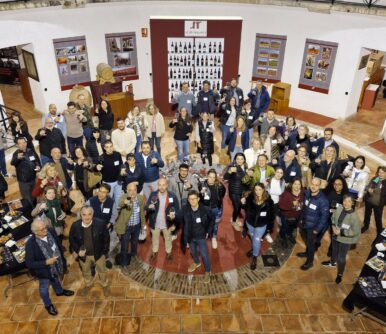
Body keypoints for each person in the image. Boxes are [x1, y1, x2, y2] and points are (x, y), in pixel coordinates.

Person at [25, 218, 73, 316]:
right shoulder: (30, 244)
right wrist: (46, 262)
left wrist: (62, 260)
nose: (46, 230)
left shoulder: (50, 231)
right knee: (44, 289)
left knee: (56, 279)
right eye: (42, 229)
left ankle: (59, 292)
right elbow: (29, 263)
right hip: (43, 271)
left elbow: (58, 246)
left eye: (45, 227)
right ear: (35, 232)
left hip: (56, 264)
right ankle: (48, 305)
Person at [69, 205, 110, 296]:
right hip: (84, 256)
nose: (87, 217)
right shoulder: (75, 226)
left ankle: (104, 284)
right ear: (80, 215)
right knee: (86, 271)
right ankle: (88, 284)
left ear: (92, 215)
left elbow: (106, 239)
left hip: (99, 254)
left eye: (89, 214)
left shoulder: (100, 224)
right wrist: (77, 250)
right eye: (84, 215)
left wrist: (104, 252)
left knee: (102, 271)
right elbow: (72, 240)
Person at [321, 195, 361, 284]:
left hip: (345, 240)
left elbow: (356, 232)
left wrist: (342, 232)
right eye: (345, 201)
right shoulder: (339, 208)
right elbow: (333, 218)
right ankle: (332, 262)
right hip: (335, 236)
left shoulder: (354, 217)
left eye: (349, 201)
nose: (346, 203)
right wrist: (333, 227)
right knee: (334, 250)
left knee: (341, 258)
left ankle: (340, 274)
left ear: (352, 203)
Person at [180, 190, 214, 283]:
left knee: (204, 255)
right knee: (193, 252)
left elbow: (212, 219)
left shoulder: (205, 209)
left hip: (201, 237)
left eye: (194, 199)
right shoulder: (185, 209)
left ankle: (208, 271)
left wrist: (208, 231)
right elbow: (182, 223)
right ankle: (196, 262)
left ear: (198, 199)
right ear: (188, 200)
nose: (192, 201)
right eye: (190, 199)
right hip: (191, 237)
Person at [297, 178, 330, 270]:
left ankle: (309, 262)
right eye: (312, 184)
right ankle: (307, 253)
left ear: (320, 186)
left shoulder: (323, 200)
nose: (314, 186)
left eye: (316, 185)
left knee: (311, 244)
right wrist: (301, 219)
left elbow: (324, 218)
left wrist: (317, 229)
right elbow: (304, 207)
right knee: (307, 241)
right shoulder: (307, 193)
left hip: (313, 227)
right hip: (305, 223)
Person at [241, 183, 275, 270]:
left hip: (261, 225)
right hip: (250, 223)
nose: (258, 192)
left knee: (256, 240)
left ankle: (255, 257)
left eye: (260, 189)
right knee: (253, 238)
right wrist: (242, 203)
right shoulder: (250, 198)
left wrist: (269, 229)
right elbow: (245, 209)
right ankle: (253, 249)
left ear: (263, 189)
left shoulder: (269, 202)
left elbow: (272, 216)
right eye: (256, 190)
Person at [116, 182, 146, 274]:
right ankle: (124, 264)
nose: (132, 192)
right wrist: (125, 202)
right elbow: (120, 203)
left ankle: (134, 255)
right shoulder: (124, 197)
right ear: (126, 191)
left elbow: (142, 212)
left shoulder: (140, 198)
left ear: (137, 190)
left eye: (134, 190)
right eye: (130, 190)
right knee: (124, 246)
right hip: (126, 227)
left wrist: (143, 225)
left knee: (134, 242)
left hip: (136, 226)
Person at [86, 183, 118, 269]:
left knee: (105, 244)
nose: (101, 193)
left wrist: (110, 223)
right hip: (93, 228)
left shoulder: (111, 202)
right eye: (100, 191)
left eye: (104, 192)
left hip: (106, 228)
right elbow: (85, 213)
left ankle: (106, 259)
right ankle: (93, 262)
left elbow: (115, 214)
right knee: (94, 245)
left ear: (108, 193)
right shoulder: (91, 201)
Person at [146, 178, 179, 261]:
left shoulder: (172, 196)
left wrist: (174, 224)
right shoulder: (153, 194)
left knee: (168, 239)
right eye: (160, 185)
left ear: (167, 185)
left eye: (163, 185)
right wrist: (149, 207)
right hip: (155, 222)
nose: (162, 187)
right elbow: (146, 206)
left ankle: (168, 252)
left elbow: (177, 211)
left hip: (167, 223)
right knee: (154, 239)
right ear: (158, 185)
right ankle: (154, 251)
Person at [199, 169, 226, 249]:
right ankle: (205, 236)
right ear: (207, 176)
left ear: (215, 178)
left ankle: (214, 237)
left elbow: (222, 195)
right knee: (204, 223)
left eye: (213, 177)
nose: (211, 179)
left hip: (216, 208)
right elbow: (199, 197)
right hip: (205, 208)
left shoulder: (220, 186)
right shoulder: (202, 185)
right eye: (210, 177)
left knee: (215, 224)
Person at [11, 137, 41, 205]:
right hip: (24, 182)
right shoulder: (16, 153)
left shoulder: (30, 150)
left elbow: (35, 160)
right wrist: (17, 158)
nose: (22, 145)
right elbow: (12, 162)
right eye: (20, 143)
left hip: (33, 179)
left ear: (26, 143)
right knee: (27, 200)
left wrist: (37, 166)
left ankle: (35, 211)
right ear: (17, 145)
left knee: (35, 196)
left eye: (24, 142)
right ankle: (30, 214)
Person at [223, 152, 248, 231]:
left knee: (239, 207)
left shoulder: (245, 167)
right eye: (238, 159)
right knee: (237, 207)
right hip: (233, 191)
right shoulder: (232, 167)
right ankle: (234, 221)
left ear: (244, 160)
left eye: (241, 159)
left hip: (241, 191)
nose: (239, 160)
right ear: (235, 159)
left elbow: (245, 180)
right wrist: (230, 171)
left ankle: (235, 218)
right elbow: (225, 177)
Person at [96, 141, 123, 207]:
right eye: (107, 147)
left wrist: (122, 170)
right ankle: (109, 212)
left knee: (118, 197)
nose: (110, 148)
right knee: (108, 199)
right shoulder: (101, 157)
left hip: (118, 181)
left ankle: (117, 210)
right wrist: (97, 167)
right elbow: (97, 168)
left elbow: (121, 164)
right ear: (104, 148)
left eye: (111, 146)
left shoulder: (117, 154)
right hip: (107, 183)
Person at [278, 178, 305, 246]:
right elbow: (281, 205)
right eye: (295, 184)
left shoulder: (303, 192)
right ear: (292, 184)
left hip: (297, 216)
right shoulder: (286, 193)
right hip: (286, 216)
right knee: (284, 228)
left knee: (292, 227)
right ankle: (283, 237)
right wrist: (291, 205)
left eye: (299, 184)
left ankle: (289, 235)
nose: (297, 186)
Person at [362, 166, 386, 234]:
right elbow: (368, 186)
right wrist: (368, 189)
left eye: (383, 173)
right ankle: (366, 226)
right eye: (379, 172)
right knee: (367, 215)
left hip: (378, 204)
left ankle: (379, 232)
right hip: (369, 201)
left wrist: (382, 204)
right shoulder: (376, 178)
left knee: (378, 219)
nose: (380, 174)